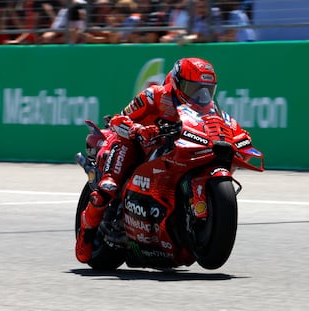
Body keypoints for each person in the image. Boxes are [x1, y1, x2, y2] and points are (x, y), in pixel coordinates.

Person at [75, 57, 218, 263]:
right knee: (107, 188)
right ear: (177, 83)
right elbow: (119, 119)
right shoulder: (156, 95)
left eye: (206, 90)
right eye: (193, 88)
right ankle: (84, 240)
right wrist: (137, 130)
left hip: (172, 151)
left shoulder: (207, 108)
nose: (200, 95)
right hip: (133, 145)